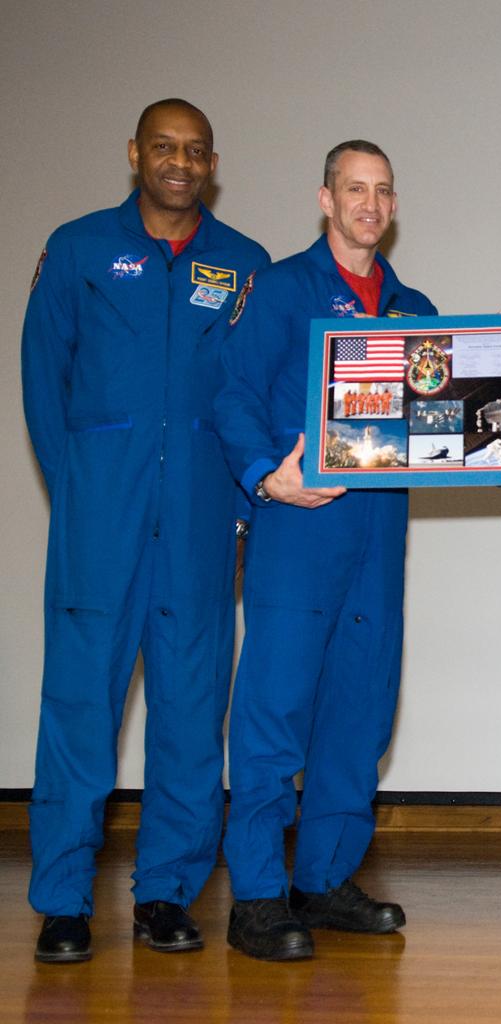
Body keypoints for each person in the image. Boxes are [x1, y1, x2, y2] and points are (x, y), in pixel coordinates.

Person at [21, 99, 268, 964]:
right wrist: (81, 486)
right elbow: (42, 378)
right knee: (80, 708)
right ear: (134, 152)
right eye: (163, 147)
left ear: (212, 162)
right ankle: (62, 900)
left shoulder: (244, 266)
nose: (178, 162)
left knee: (193, 713)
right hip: (103, 520)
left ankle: (165, 890)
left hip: (202, 522)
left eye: (195, 150)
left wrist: (242, 511)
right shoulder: (81, 248)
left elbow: (259, 399)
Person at [214, 140, 436, 961]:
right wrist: (265, 477)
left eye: (382, 190)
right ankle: (259, 897)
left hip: (377, 539)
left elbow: (444, 422)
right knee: (274, 710)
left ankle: (325, 877)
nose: (369, 204)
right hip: (298, 528)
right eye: (354, 189)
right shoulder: (279, 290)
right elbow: (231, 392)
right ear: (326, 199)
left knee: (359, 708)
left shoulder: (416, 313)